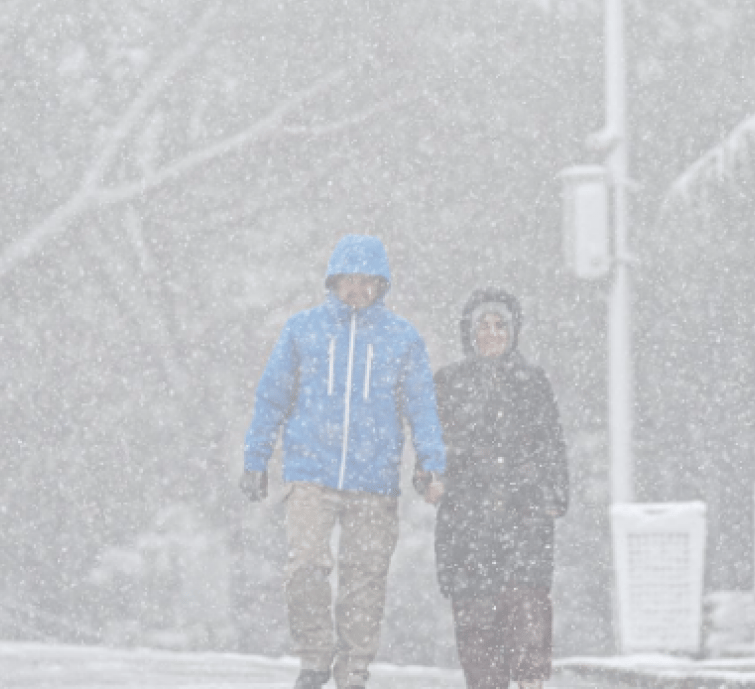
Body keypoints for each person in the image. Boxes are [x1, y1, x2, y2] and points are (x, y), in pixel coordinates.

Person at [241, 235, 447, 689]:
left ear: (381, 285)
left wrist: (431, 463)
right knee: (306, 566)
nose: (357, 290)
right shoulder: (302, 330)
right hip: (311, 470)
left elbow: (421, 405)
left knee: (365, 578)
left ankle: (354, 667)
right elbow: (271, 397)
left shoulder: (402, 338)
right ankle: (315, 657)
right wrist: (256, 457)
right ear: (333, 282)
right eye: (348, 281)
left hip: (374, 477)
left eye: (367, 281)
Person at [431, 288, 569, 689]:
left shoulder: (532, 382)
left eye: (499, 326)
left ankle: (530, 681)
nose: (492, 334)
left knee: (526, 607)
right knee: (476, 620)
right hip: (467, 518)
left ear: (513, 332)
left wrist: (554, 493)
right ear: (469, 333)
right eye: (483, 326)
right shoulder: (449, 382)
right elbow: (431, 442)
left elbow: (551, 442)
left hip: (523, 513)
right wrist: (430, 478)